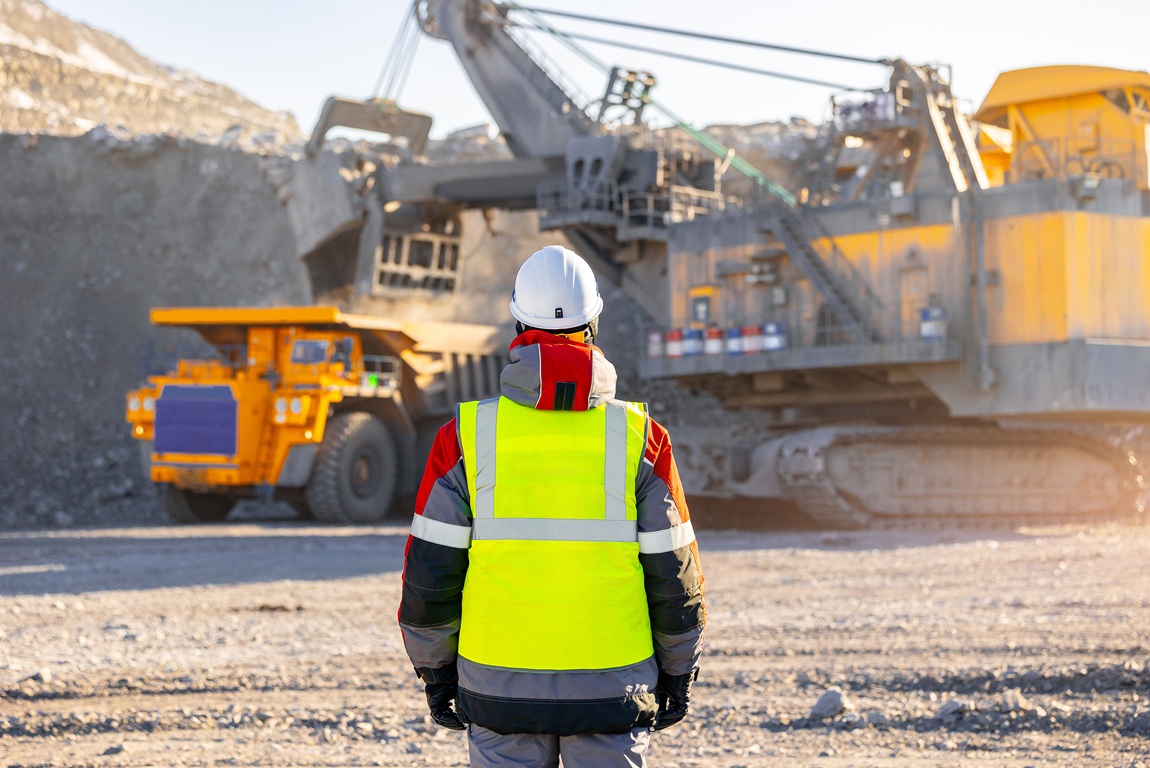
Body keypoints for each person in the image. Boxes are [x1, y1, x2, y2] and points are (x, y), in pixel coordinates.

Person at [398, 245, 706, 767]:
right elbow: (675, 577)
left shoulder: (465, 439)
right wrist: (677, 672)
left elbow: (430, 576)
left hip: (497, 688)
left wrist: (436, 675)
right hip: (615, 686)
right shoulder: (643, 441)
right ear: (594, 324)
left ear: (518, 323)